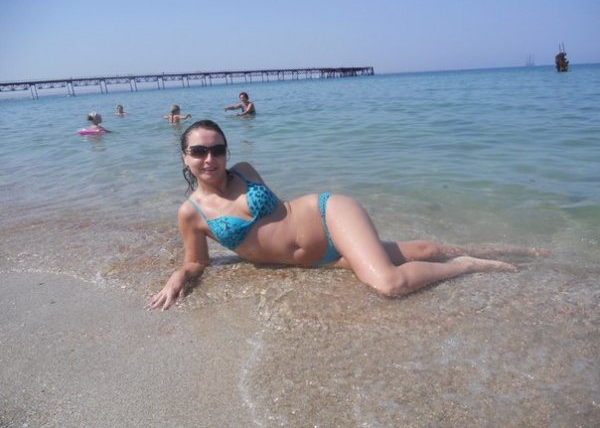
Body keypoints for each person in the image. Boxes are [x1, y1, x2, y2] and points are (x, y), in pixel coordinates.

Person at [148, 120, 547, 311]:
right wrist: (179, 275)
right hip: (325, 259)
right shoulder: (191, 213)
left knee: (389, 284)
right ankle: (512, 251)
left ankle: (468, 264)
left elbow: (281, 220)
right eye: (199, 151)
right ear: (184, 157)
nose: (210, 158)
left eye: (217, 149)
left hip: (329, 215)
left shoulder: (245, 171)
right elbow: (197, 261)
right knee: (423, 250)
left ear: (226, 152)